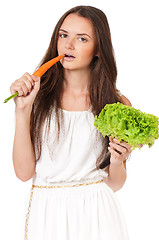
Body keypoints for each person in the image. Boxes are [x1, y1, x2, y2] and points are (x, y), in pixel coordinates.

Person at [10, 5, 133, 240]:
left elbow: (115, 184)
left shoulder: (115, 104)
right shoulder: (38, 98)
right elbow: (24, 173)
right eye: (64, 35)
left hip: (99, 213)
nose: (68, 45)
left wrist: (118, 161)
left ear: (98, 49)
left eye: (82, 39)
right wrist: (22, 111)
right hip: (47, 213)